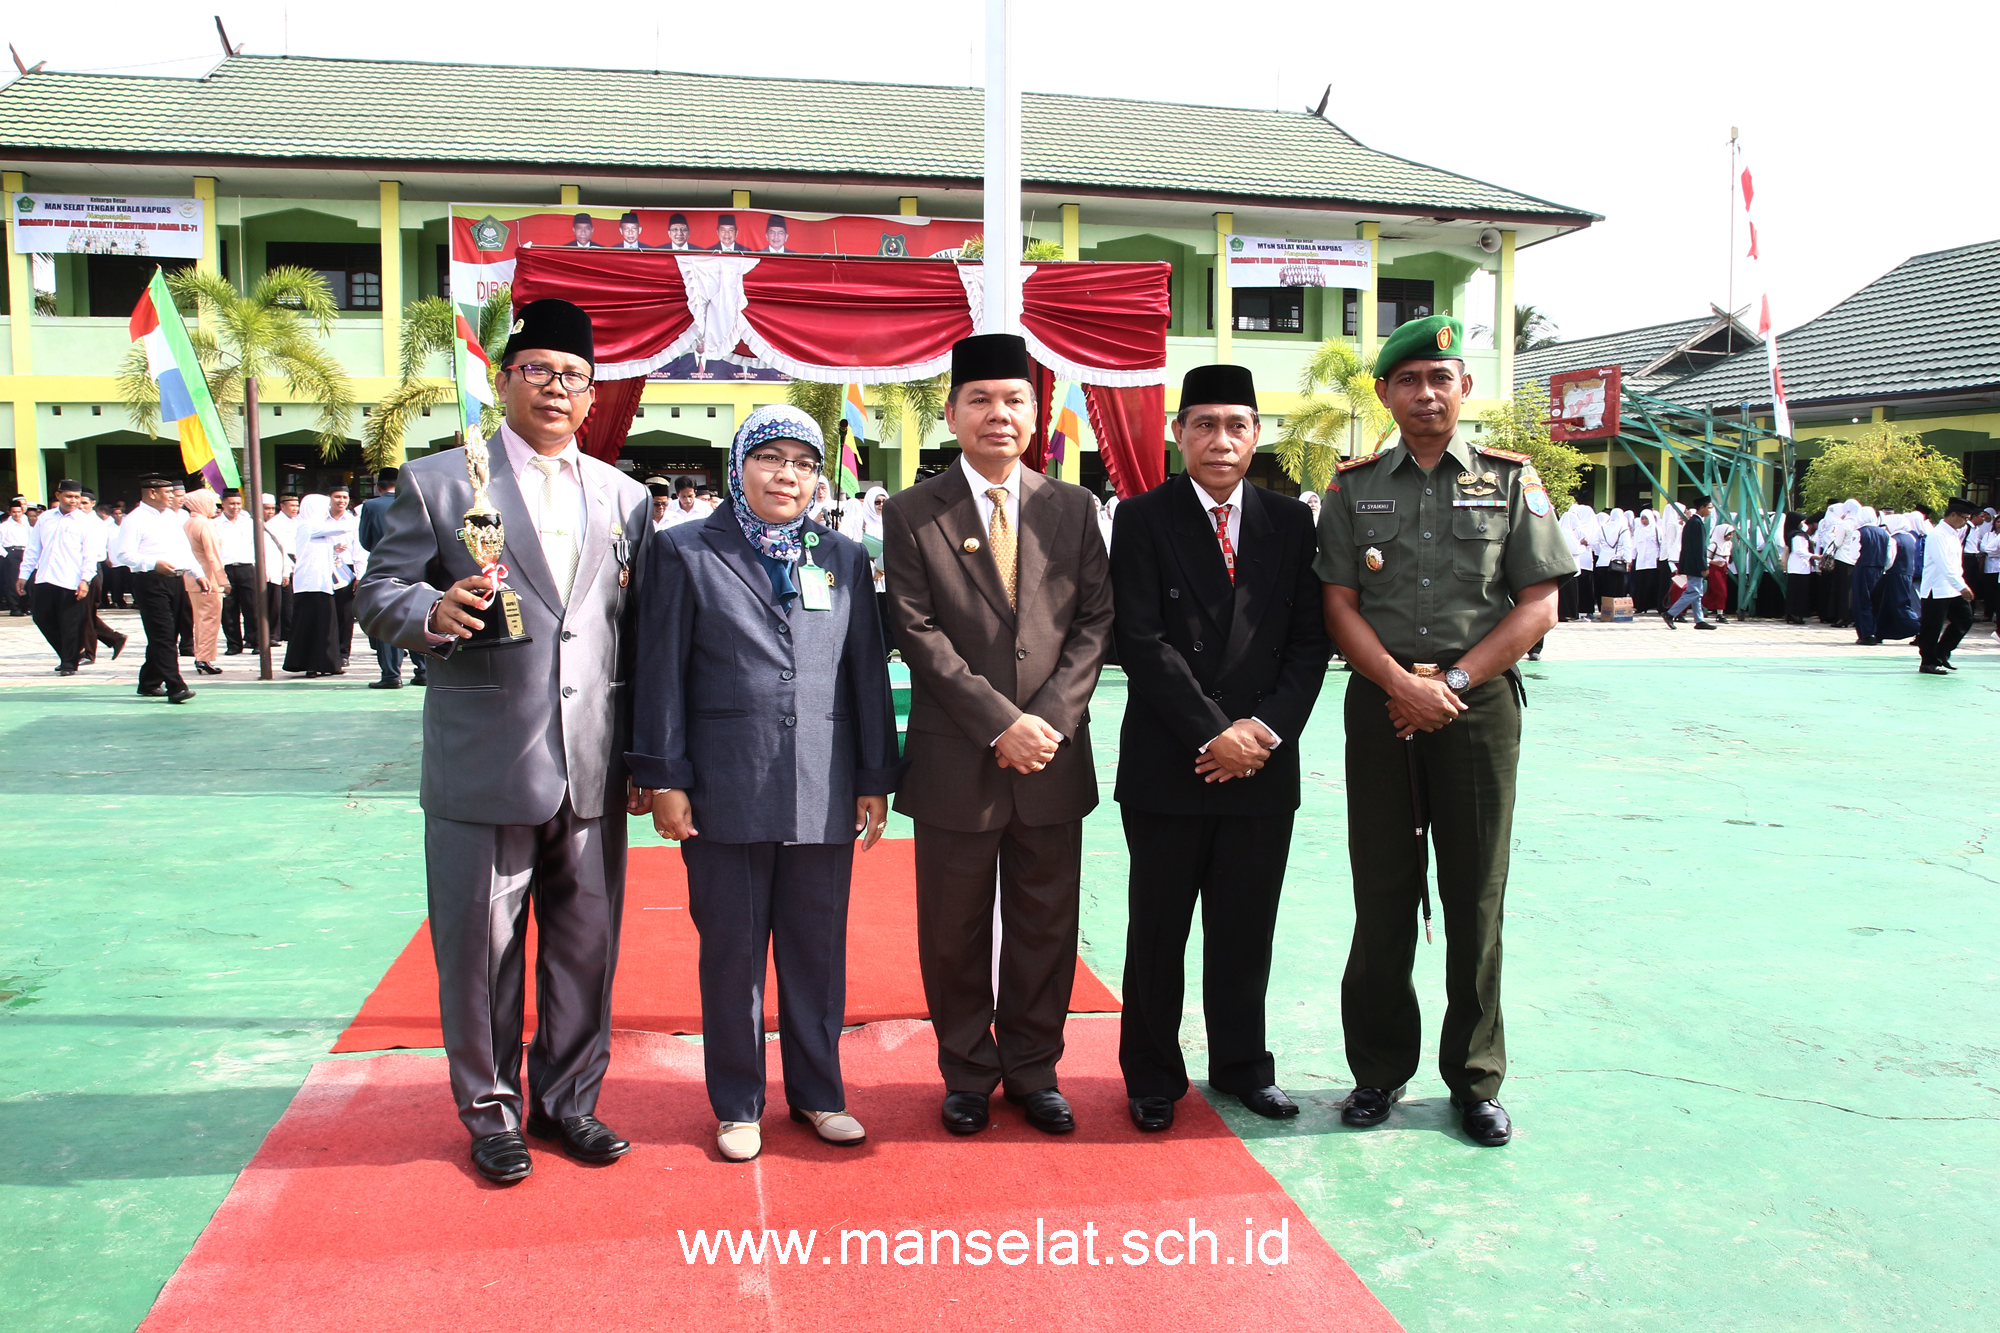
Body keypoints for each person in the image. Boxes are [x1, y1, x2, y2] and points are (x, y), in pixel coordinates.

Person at [357, 298, 653, 1186]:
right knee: (481, 951)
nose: (556, 388)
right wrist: (430, 609)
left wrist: (645, 755)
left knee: (585, 945)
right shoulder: (441, 481)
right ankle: (490, 1113)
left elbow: (634, 633)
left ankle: (569, 1100)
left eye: (574, 376)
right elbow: (379, 589)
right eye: (539, 371)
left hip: (593, 762)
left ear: (592, 394)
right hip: (485, 758)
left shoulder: (625, 496)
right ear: (504, 379)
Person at [1315, 314, 1572, 1148]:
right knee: (1382, 891)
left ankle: (1475, 1078)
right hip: (1381, 703)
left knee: (1475, 894)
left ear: (1464, 386)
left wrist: (1451, 685)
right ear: (1385, 393)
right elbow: (1338, 604)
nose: (1426, 394)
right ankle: (1377, 1070)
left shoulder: (1510, 480)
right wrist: (1399, 683)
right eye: (1409, 380)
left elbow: (1538, 604)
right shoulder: (1353, 489)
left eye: (1440, 378)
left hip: (1479, 706)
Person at [631, 405, 902, 1162]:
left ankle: (820, 1094)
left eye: (804, 463)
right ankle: (738, 1103)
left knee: (817, 949)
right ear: (738, 465)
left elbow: (865, 670)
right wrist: (664, 777)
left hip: (824, 782)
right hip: (726, 783)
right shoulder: (685, 549)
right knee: (733, 952)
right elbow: (660, 672)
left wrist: (874, 775)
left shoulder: (840, 554)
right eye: (771, 458)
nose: (789, 475)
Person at [880, 332, 1115, 1138]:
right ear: (952, 414)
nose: (998, 413)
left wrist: (1046, 722)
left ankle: (1035, 1070)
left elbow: (1095, 622)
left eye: (1014, 399)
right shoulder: (912, 512)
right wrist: (999, 724)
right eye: (979, 399)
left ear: (1035, 413)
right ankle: (967, 1073)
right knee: (953, 930)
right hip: (957, 758)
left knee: (1046, 925)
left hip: (1051, 755)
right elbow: (915, 631)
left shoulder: (1073, 507)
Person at [1109, 365, 1331, 1133]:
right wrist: (1213, 732)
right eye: (1203, 423)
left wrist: (1261, 732)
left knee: (1245, 930)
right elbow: (1140, 639)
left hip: (1261, 764)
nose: (1220, 439)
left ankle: (1242, 1067)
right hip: (1171, 760)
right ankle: (1151, 1074)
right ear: (1179, 434)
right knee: (1157, 931)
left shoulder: (1291, 523)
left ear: (1257, 434)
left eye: (1236, 424)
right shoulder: (1142, 518)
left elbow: (1310, 642)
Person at [120, 473, 202, 703]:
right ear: (152, 493)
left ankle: (149, 681)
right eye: (167, 493)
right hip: (150, 581)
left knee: (170, 633)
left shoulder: (173, 518)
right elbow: (123, 554)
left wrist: (198, 574)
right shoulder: (134, 520)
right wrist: (152, 563)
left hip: (176, 580)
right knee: (162, 635)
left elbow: (184, 551)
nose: (172, 497)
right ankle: (176, 686)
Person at [15, 479, 101, 674]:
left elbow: (90, 554)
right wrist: (23, 574)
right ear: (58, 496)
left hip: (71, 580)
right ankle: (68, 653)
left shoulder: (85, 522)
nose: (73, 501)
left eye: (77, 497)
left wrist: (85, 580)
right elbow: (33, 548)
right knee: (41, 618)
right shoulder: (45, 518)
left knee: (70, 624)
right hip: (45, 577)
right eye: (69, 496)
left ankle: (69, 663)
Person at [357, 468, 422, 688]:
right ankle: (423, 670)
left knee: (387, 615)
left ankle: (391, 675)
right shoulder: (416, 501)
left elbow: (365, 539)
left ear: (378, 487)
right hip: (416, 564)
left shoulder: (371, 506)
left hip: (384, 565)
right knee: (416, 613)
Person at [282, 495, 345, 677]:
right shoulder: (308, 525)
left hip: (321, 583)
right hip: (310, 585)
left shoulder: (317, 528)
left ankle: (326, 664)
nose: (327, 511)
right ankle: (311, 665)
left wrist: (335, 550)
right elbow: (343, 527)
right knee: (312, 626)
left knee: (324, 625)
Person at [1916, 498, 1979, 674]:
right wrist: (1962, 586)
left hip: (1952, 588)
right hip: (1936, 589)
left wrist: (1960, 585)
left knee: (1965, 619)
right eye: (1964, 518)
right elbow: (1944, 565)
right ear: (1953, 515)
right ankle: (1928, 662)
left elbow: (1956, 564)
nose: (1965, 522)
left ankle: (1942, 652)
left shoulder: (1953, 534)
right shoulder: (1938, 535)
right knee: (1932, 627)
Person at [181, 489, 227, 675]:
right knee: (209, 620)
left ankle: (201, 655)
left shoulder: (188, 523)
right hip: (209, 578)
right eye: (211, 503)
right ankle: (204, 658)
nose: (214, 507)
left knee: (200, 619)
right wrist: (223, 580)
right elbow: (212, 555)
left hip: (192, 577)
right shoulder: (204, 524)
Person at [215, 490, 261, 655]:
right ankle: (234, 644)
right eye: (232, 504)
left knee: (252, 607)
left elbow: (258, 546)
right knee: (228, 608)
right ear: (223, 504)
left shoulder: (249, 522)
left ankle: (256, 641)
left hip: (247, 568)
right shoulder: (215, 524)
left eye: (238, 504)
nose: (235, 507)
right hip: (225, 569)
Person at [1663, 497, 1716, 630]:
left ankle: (1699, 620)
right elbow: (1699, 548)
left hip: (1691, 563)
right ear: (1702, 507)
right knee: (1693, 592)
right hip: (1695, 565)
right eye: (1709, 507)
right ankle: (1670, 613)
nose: (1710, 511)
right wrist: (1703, 565)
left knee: (1697, 594)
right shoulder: (1696, 523)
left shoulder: (1692, 522)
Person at [325, 486, 362, 666]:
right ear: (329, 498)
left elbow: (359, 550)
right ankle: (327, 651)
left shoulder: (354, 521)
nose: (341, 501)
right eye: (337, 497)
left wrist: (359, 575)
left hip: (347, 570)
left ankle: (343, 652)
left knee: (345, 614)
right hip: (325, 567)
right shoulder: (321, 520)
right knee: (326, 612)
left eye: (344, 497)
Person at [1879, 511, 1923, 640]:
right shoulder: (1910, 538)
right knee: (1893, 603)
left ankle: (1918, 627)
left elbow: (1889, 559)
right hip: (1907, 573)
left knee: (1899, 604)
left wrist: (1884, 569)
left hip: (1895, 574)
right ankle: (1881, 632)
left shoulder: (1894, 539)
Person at [1853, 507, 1891, 644]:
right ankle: (1878, 632)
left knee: (1862, 601)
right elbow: (1889, 556)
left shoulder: (1859, 532)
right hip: (1880, 569)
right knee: (1877, 602)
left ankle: (1866, 633)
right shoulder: (1885, 533)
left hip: (1864, 568)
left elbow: (1853, 554)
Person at [269, 493, 299, 640]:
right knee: (285, 599)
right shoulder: (274, 523)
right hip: (283, 560)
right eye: (292, 505)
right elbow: (279, 548)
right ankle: (283, 632)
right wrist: (286, 567)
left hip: (298, 559)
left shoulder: (298, 521)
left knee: (294, 599)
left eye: (297, 506)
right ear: (282, 506)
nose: (295, 509)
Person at [1784, 513, 1815, 624]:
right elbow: (1798, 550)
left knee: (1800, 591)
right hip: (1798, 566)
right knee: (1797, 592)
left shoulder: (1800, 534)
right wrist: (1813, 556)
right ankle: (1794, 614)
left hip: (1801, 566)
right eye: (1801, 521)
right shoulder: (1797, 536)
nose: (1803, 524)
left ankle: (1796, 614)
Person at [1, 498, 29, 616]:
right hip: (12, 552)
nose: (17, 514)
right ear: (10, 512)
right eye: (14, 512)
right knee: (13, 581)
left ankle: (25, 606)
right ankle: (15, 607)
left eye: (18, 512)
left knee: (26, 579)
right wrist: (6, 555)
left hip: (25, 552)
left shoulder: (26, 523)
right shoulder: (5, 525)